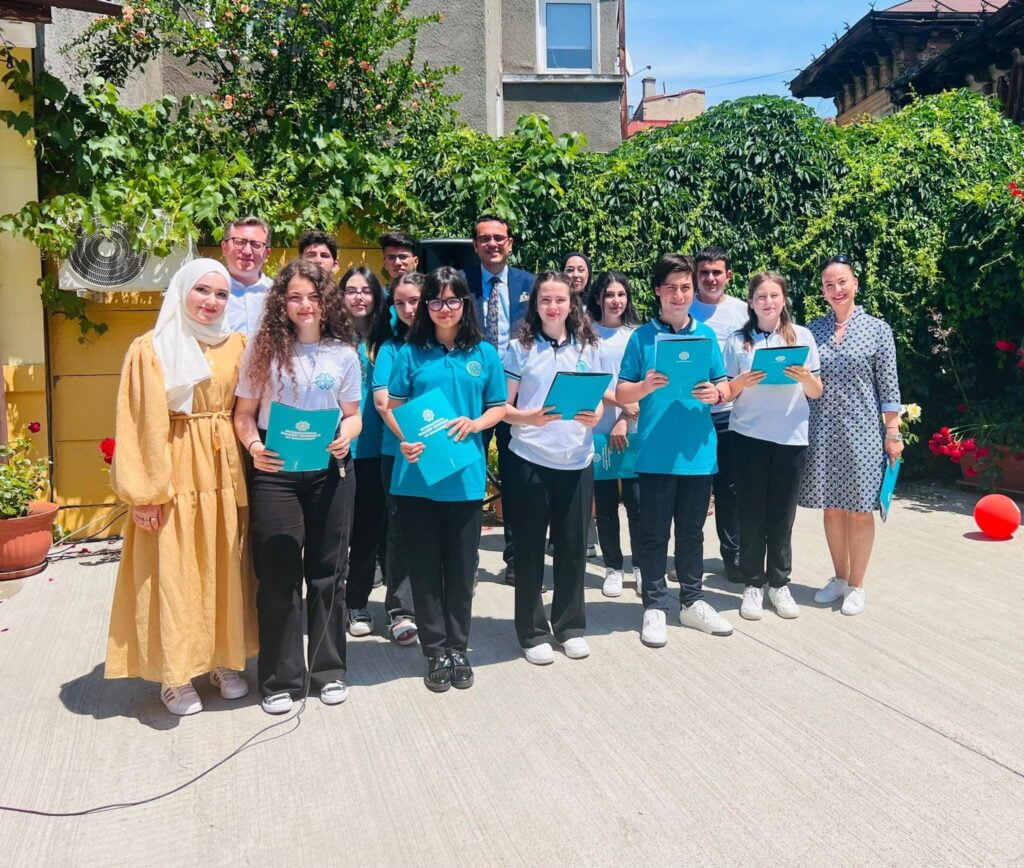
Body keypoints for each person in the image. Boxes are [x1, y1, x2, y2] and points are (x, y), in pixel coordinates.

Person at [105, 258, 257, 716]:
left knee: (224, 565)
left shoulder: (238, 345)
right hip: (173, 472)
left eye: (221, 293)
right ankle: (175, 674)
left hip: (223, 471)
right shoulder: (151, 347)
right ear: (182, 291)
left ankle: (223, 659)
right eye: (202, 290)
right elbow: (137, 423)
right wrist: (144, 494)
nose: (211, 301)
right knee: (173, 569)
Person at [234, 260, 362, 714]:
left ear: (326, 301)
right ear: (281, 304)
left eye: (313, 296)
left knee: (329, 575)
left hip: (330, 471)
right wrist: (254, 446)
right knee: (278, 575)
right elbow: (244, 414)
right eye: (294, 297)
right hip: (276, 473)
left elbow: (353, 414)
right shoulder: (263, 350)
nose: (305, 305)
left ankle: (328, 672)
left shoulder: (343, 354)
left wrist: (347, 436)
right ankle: (279, 679)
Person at [385, 267, 506, 692]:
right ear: (426, 307)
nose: (444, 308)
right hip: (416, 478)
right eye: (435, 301)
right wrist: (404, 440)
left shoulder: (484, 354)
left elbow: (498, 406)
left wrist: (476, 424)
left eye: (452, 300)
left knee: (461, 567)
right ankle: (435, 649)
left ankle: (458, 647)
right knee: (423, 568)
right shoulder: (410, 353)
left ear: (465, 304)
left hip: (464, 477)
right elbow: (393, 408)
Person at [616, 253, 736, 647]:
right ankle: (654, 604)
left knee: (691, 534)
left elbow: (724, 384)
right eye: (671, 288)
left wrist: (717, 392)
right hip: (655, 451)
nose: (679, 295)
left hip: (697, 452)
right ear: (658, 291)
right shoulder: (641, 337)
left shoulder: (707, 336)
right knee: (653, 534)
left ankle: (692, 601)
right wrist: (645, 386)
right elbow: (622, 392)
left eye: (685, 287)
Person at [503, 271, 607, 665]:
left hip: (576, 459)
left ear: (571, 303)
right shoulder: (519, 348)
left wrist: (596, 415)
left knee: (573, 547)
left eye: (560, 299)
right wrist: (528, 418)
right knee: (529, 549)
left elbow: (599, 399)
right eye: (545, 299)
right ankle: (531, 632)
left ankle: (569, 626)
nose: (553, 306)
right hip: (530, 458)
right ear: (535, 304)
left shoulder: (589, 345)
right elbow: (502, 408)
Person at [799, 256, 902, 616]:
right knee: (831, 510)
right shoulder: (813, 331)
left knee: (859, 510)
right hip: (823, 431)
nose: (836, 290)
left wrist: (893, 431)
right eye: (829, 284)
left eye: (842, 282)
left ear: (855, 284)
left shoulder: (877, 329)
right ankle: (839, 577)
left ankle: (857, 584)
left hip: (863, 433)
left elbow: (889, 387)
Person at [723, 272, 822, 621]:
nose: (768, 302)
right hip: (748, 435)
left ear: (784, 300)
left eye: (774, 296)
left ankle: (779, 583)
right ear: (750, 302)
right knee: (750, 512)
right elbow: (725, 393)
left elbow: (816, 392)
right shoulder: (738, 341)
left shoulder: (802, 337)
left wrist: (805, 376)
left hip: (791, 436)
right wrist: (740, 382)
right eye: (761, 296)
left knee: (782, 513)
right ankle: (753, 582)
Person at [463, 215, 535, 585]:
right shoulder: (460, 283)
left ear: (510, 243)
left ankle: (516, 560)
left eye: (499, 238)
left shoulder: (529, 284)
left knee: (517, 479)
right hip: (473, 397)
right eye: (485, 238)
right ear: (475, 245)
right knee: (469, 478)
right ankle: (466, 561)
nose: (492, 244)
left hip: (517, 396)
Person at [368, 273, 423, 645]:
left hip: (444, 451)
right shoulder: (390, 349)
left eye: (414, 300)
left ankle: (436, 602)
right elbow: (382, 402)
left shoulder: (448, 346)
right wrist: (411, 439)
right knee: (401, 529)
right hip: (399, 452)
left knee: (439, 529)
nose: (407, 309)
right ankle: (401, 610)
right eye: (400, 303)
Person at [692, 246, 749, 582]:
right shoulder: (684, 309)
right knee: (694, 492)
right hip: (692, 415)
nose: (710, 278)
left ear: (728, 275)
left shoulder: (743, 312)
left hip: (730, 414)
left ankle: (734, 556)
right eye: (704, 272)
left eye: (717, 272)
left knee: (730, 490)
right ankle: (689, 557)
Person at [336, 266, 388, 637]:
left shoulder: (388, 338)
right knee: (338, 533)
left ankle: (357, 604)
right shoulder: (329, 336)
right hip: (337, 446)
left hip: (376, 447)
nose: (359, 297)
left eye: (366, 290)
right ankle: (330, 601)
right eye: (351, 290)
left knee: (369, 531)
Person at [586, 270, 643, 598]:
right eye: (609, 294)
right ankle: (613, 567)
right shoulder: (586, 335)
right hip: (598, 429)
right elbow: (588, 381)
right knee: (605, 505)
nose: (616, 300)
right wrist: (619, 403)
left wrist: (624, 416)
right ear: (598, 298)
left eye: (621, 294)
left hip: (633, 426)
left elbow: (644, 380)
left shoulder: (636, 335)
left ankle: (641, 565)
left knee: (637, 503)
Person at [221, 215, 273, 335]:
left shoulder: (278, 292)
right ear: (224, 247)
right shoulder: (208, 292)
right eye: (239, 242)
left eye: (256, 245)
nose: (247, 251)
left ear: (267, 253)